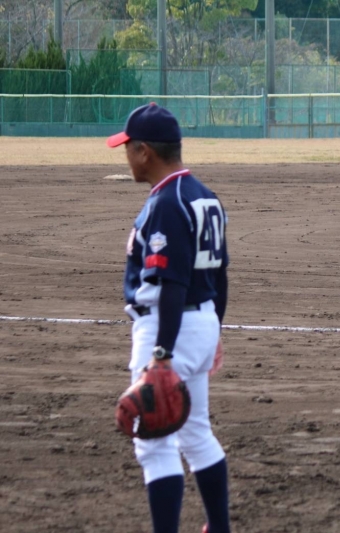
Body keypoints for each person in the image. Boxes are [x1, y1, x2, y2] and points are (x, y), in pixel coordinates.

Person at [108, 103, 231, 533]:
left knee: (154, 443)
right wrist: (214, 331)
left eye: (128, 148)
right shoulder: (203, 195)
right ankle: (219, 528)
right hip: (199, 322)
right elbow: (219, 275)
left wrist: (161, 354)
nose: (125, 156)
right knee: (195, 433)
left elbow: (173, 284)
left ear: (144, 151)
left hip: (167, 328)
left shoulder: (167, 202)